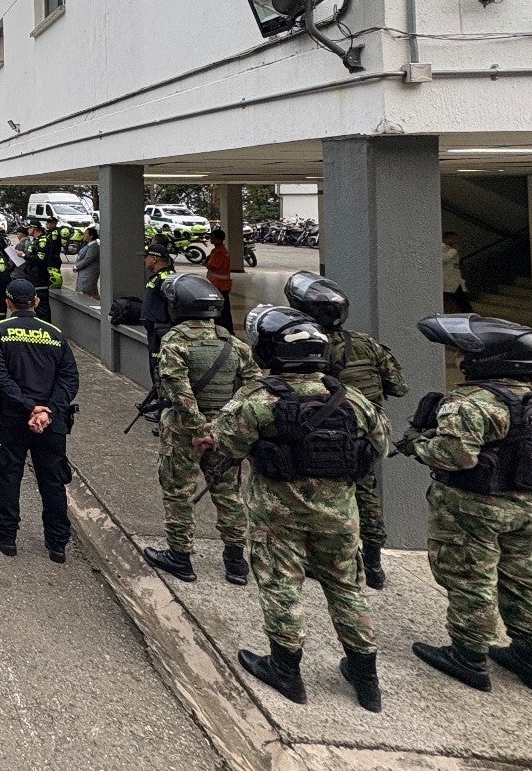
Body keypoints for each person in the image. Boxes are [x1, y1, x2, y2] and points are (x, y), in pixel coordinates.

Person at [212, 306, 390, 712]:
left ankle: (286, 669)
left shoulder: (259, 399)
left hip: (279, 514)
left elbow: (226, 442)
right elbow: (377, 445)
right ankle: (366, 677)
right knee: (347, 587)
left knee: (281, 587)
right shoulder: (353, 400)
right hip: (340, 515)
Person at [401, 314, 532, 695]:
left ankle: (468, 656)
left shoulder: (468, 403)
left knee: (471, 579)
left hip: (473, 508)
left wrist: (417, 444)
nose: (458, 358)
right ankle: (531, 656)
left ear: (488, 359)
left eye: (465, 352)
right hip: (527, 508)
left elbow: (455, 456)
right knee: (522, 581)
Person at [285, 271, 408, 589]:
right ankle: (374, 565)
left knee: (318, 495)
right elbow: (398, 386)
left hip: (323, 435)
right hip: (367, 434)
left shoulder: (305, 346)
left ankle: (322, 558)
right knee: (367, 493)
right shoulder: (367, 344)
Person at [141, 274, 262, 585]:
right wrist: (225, 425)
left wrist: (198, 426)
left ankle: (180, 556)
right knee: (229, 494)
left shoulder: (175, 340)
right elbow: (252, 390)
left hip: (184, 431)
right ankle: (236, 562)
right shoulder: (235, 345)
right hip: (224, 431)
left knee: (179, 492)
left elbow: (177, 386)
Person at [0, 280, 79, 562]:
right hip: (51, 422)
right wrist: (48, 410)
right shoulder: (56, 335)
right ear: (36, 303)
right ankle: (58, 543)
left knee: (9, 473)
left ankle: (7, 534)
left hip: (12, 418)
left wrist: (29, 407)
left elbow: (0, 377)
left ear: (8, 303)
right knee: (52, 479)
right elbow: (70, 379)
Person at [142, 244, 177, 374]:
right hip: (155, 331)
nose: (144, 260)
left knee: (159, 370)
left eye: (147, 257)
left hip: (161, 332)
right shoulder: (159, 277)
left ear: (155, 259)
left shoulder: (165, 278)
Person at [203, 230, 235, 331]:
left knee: (222, 311)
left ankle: (226, 329)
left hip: (219, 286)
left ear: (217, 239)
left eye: (212, 237)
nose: (210, 239)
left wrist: (206, 262)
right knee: (222, 310)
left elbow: (210, 265)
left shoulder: (219, 252)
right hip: (219, 285)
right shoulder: (217, 251)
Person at [441, 232, 472, 313]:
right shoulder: (442, 248)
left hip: (455, 281)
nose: (456, 241)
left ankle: (469, 316)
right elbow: (443, 259)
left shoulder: (451, 250)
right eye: (453, 238)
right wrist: (455, 250)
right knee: (446, 303)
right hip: (446, 283)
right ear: (446, 239)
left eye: (456, 239)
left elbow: (455, 267)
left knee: (463, 302)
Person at [75, 227, 100, 299]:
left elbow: (88, 259)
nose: (84, 235)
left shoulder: (94, 247)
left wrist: (77, 266)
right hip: (83, 272)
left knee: (85, 291)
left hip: (89, 273)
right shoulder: (87, 245)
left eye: (86, 234)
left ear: (91, 236)